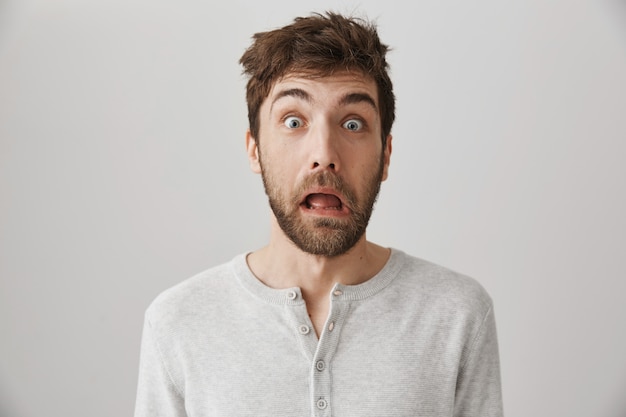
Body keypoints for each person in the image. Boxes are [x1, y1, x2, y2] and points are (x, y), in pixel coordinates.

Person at [134, 11, 503, 417]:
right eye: (294, 121)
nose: (324, 155)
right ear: (255, 149)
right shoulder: (178, 322)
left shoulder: (457, 314)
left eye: (352, 123)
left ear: (386, 156)